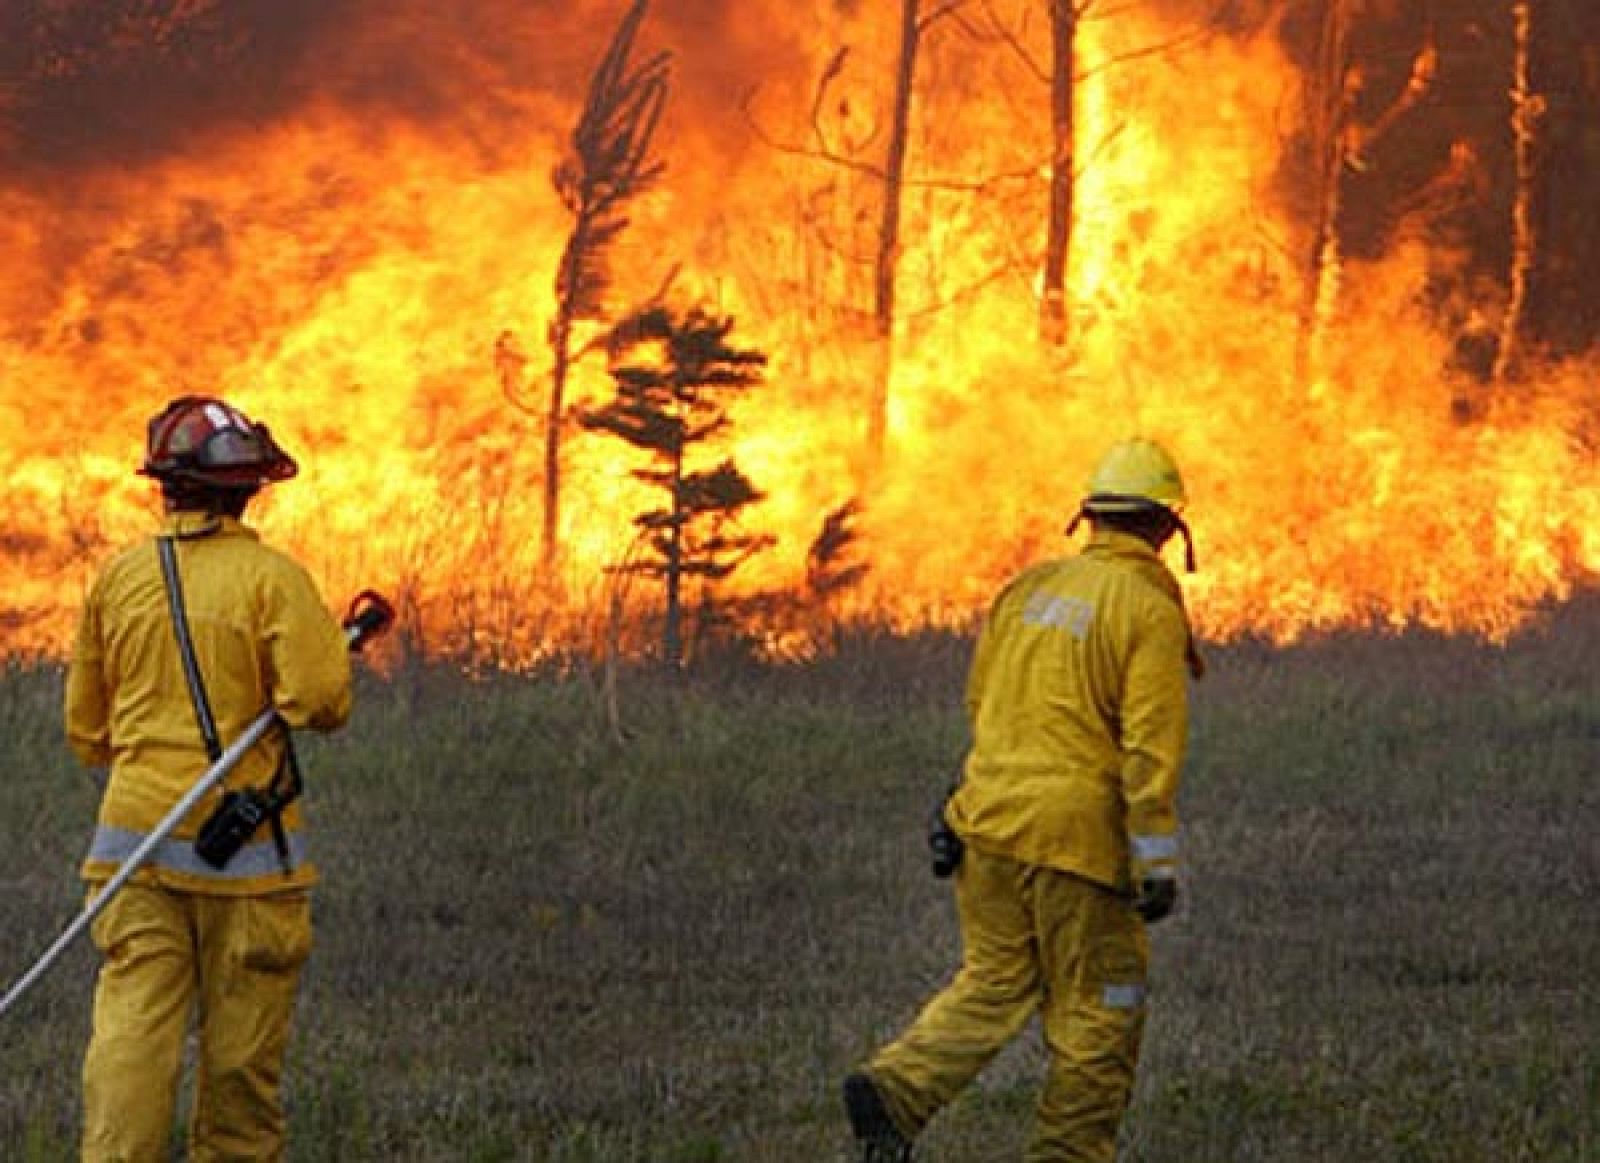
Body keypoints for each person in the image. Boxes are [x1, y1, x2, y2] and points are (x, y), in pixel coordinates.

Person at [843, 436, 1204, 1163]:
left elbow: (988, 711)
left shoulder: (1027, 591)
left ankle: (896, 1089)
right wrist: (1156, 863)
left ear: (1090, 520)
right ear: (1167, 529)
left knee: (994, 979)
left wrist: (957, 805)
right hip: (1077, 848)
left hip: (987, 829)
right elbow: (1148, 749)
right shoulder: (1147, 609)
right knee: (1102, 1010)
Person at [66, 396, 353, 1161]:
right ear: (245, 488)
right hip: (247, 867)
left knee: (131, 1037)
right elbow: (321, 700)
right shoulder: (272, 580)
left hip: (136, 856)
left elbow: (87, 731)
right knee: (239, 1070)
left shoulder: (117, 580)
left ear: (165, 484)